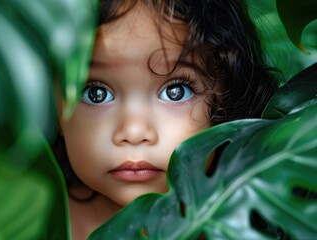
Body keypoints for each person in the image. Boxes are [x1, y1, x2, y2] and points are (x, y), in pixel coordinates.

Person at [53, 0, 279, 239]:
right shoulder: (31, 220)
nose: (134, 132)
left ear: (227, 98)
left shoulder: (243, 226)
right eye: (96, 94)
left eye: (176, 91)